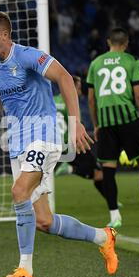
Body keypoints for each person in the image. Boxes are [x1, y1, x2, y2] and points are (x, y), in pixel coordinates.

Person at [0, 11, 118, 277]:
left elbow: (65, 79)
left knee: (18, 192)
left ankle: (25, 269)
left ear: (4, 35)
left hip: (44, 137)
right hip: (17, 143)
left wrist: (75, 123)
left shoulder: (27, 56)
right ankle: (103, 237)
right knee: (44, 221)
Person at [87, 27, 139, 229]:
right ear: (126, 43)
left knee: (108, 168)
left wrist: (95, 124)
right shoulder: (132, 61)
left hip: (106, 122)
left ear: (108, 42)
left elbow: (91, 99)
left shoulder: (95, 63)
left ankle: (114, 216)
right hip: (128, 118)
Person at [55, 75, 123, 210]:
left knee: (97, 173)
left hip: (54, 144)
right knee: (98, 174)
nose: (80, 91)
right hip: (71, 144)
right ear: (72, 87)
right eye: (79, 88)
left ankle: (113, 201)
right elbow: (73, 124)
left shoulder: (52, 100)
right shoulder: (71, 102)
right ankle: (69, 169)